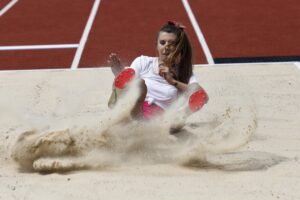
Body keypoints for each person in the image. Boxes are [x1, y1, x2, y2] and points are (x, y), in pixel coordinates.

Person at [107, 21, 208, 122]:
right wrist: (119, 71)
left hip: (163, 117)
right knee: (140, 84)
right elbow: (129, 79)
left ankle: (182, 116)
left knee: (175, 120)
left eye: (171, 43)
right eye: (162, 42)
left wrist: (173, 81)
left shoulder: (183, 72)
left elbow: (202, 96)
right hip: (138, 108)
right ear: (157, 45)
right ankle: (117, 95)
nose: (166, 46)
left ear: (179, 47)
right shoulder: (143, 62)